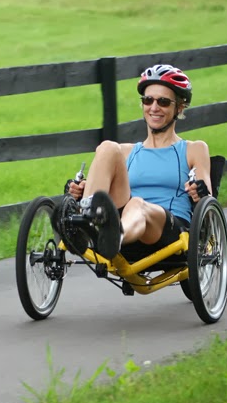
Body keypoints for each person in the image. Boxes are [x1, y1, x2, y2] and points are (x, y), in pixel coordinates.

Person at [52, 64, 213, 261]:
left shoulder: (193, 149)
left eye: (163, 102)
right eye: (148, 100)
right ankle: (84, 220)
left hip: (170, 232)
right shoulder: (126, 152)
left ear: (179, 107)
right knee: (108, 147)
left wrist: (200, 192)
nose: (154, 107)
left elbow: (208, 200)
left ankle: (114, 237)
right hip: (124, 223)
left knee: (137, 204)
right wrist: (80, 191)